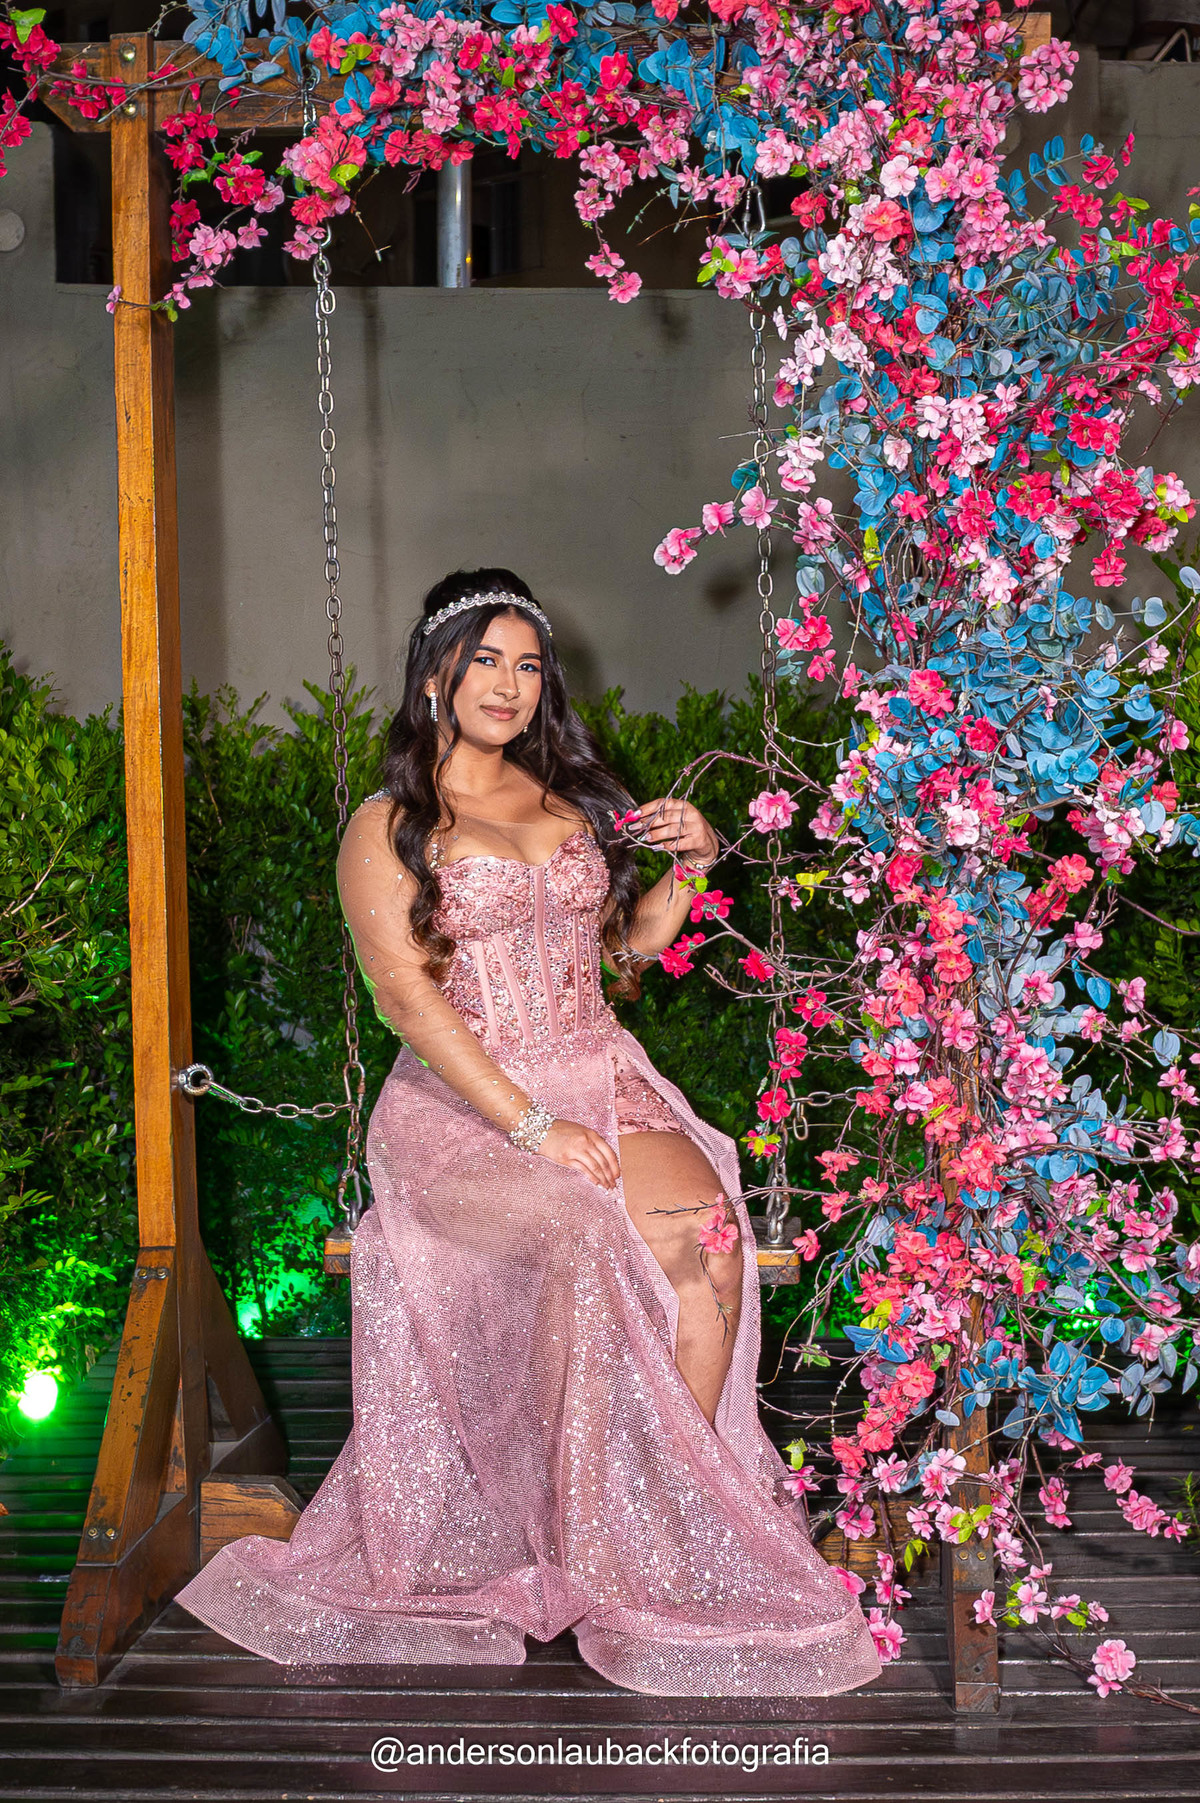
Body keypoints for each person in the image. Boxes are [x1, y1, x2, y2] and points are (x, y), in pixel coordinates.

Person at [176, 569, 881, 1698]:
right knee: (581, 1236)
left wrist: (695, 865)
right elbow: (409, 1001)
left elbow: (625, 958)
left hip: (597, 1066)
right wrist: (533, 1126)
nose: (508, 685)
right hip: (466, 1104)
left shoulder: (569, 802)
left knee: (710, 1245)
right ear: (435, 674)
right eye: (486, 661)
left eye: (528, 665)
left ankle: (673, 1529)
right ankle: (587, 1538)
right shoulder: (389, 825)